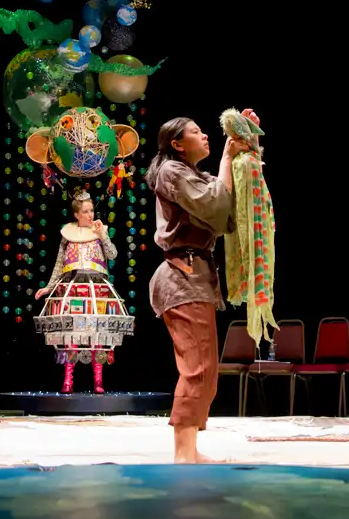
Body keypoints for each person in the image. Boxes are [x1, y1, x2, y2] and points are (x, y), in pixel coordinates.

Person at [147, 109, 257, 464]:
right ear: (177, 144)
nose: (205, 135)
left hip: (197, 276)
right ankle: (183, 453)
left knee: (207, 367)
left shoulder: (192, 174)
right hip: (182, 276)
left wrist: (243, 137)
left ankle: (191, 449)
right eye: (196, 132)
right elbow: (214, 203)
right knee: (196, 366)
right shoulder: (172, 171)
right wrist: (227, 155)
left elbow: (226, 208)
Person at [35, 190, 132, 394]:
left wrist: (103, 236)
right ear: (77, 215)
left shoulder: (99, 232)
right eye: (86, 212)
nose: (90, 215)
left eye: (92, 211)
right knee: (72, 333)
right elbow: (59, 264)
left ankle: (98, 380)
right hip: (73, 287)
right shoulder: (67, 235)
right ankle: (68, 380)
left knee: (97, 333)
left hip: (96, 288)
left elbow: (113, 255)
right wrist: (49, 287)